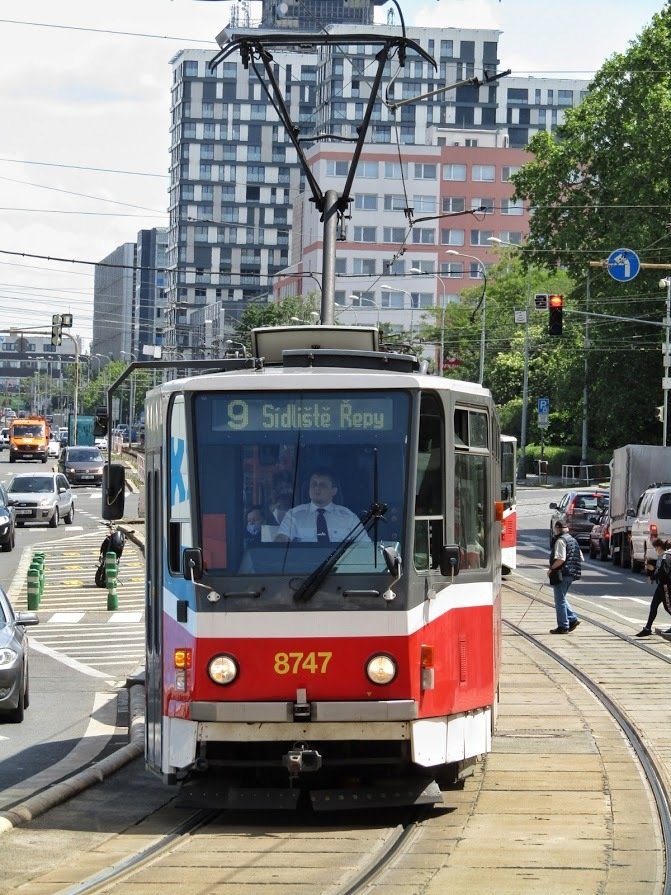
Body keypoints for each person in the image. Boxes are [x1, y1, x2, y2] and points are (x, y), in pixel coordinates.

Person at [275, 469, 370, 544]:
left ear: (334, 491)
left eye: (322, 485)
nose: (316, 488)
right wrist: (281, 540)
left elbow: (366, 546)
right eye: (313, 484)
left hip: (339, 567)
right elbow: (281, 542)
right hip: (303, 567)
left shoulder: (348, 517)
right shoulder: (294, 515)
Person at [547, 520, 582, 634]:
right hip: (572, 573)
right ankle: (572, 619)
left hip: (562, 573)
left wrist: (552, 568)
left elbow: (561, 559)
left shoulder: (561, 541)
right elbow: (580, 557)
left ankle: (563, 626)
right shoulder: (573, 540)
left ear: (557, 529)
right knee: (562, 597)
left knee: (559, 600)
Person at [635, 538, 671, 637]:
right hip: (661, 585)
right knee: (654, 605)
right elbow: (661, 570)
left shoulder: (666, 556)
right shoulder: (663, 556)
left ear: (659, 547)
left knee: (668, 607)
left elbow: (664, 572)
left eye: (656, 548)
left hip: (666, 585)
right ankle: (647, 628)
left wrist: (653, 577)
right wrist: (654, 571)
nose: (656, 550)